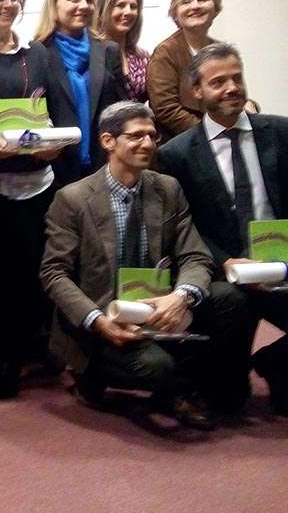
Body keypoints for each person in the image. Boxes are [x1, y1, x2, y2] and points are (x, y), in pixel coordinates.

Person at [40, 102, 250, 430]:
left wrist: (180, 296)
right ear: (108, 141)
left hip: (155, 307)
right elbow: (54, 274)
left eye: (153, 136)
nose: (149, 144)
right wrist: (98, 322)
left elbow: (195, 256)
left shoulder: (167, 189)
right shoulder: (73, 199)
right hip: (103, 317)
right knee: (157, 367)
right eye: (136, 136)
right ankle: (96, 376)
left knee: (231, 299)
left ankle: (187, 383)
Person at [157, 43, 288, 420]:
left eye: (236, 78)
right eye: (218, 82)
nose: (231, 87)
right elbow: (185, 226)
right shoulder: (177, 154)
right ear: (196, 91)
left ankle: (277, 372)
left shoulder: (286, 133)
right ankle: (225, 381)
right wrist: (226, 261)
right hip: (224, 272)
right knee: (228, 401)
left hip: (286, 268)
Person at [0, 0, 60, 397]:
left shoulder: (37, 53)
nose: (7, 5)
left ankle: (27, 353)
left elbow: (53, 110)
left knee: (30, 275)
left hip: (37, 182)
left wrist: (53, 144)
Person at [33, 0, 126, 187]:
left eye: (89, 0)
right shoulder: (37, 52)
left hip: (105, 168)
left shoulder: (108, 51)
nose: (84, 6)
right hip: (55, 171)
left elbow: (120, 110)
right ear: (54, 5)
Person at [146, 0, 222, 138]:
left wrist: (248, 105)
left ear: (215, 8)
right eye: (186, 1)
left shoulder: (221, 51)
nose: (195, 6)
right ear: (175, 12)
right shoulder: (165, 52)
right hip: (182, 144)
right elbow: (166, 109)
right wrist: (211, 133)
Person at [94, 0, 150, 103]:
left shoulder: (142, 57)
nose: (128, 12)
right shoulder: (90, 53)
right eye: (120, 5)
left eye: (133, 7)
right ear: (102, 10)